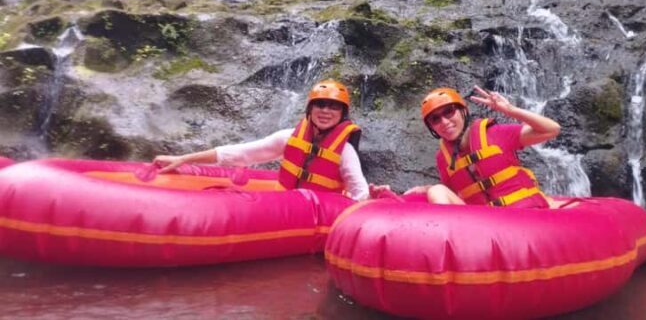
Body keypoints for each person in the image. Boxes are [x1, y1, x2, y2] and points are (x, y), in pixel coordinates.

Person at [153, 79, 369, 201]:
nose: (326, 111)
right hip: (283, 206)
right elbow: (241, 154)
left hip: (318, 214)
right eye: (320, 105)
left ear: (343, 114)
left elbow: (360, 192)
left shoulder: (345, 152)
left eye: (334, 107)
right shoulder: (287, 138)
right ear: (309, 110)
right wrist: (184, 159)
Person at [372, 85, 560, 207]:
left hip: (521, 215)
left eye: (449, 112)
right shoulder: (443, 158)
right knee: (437, 190)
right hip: (484, 225)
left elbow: (551, 129)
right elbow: (455, 195)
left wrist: (509, 110)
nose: (444, 121)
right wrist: (425, 189)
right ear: (432, 128)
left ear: (463, 112)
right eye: (435, 119)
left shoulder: (495, 133)